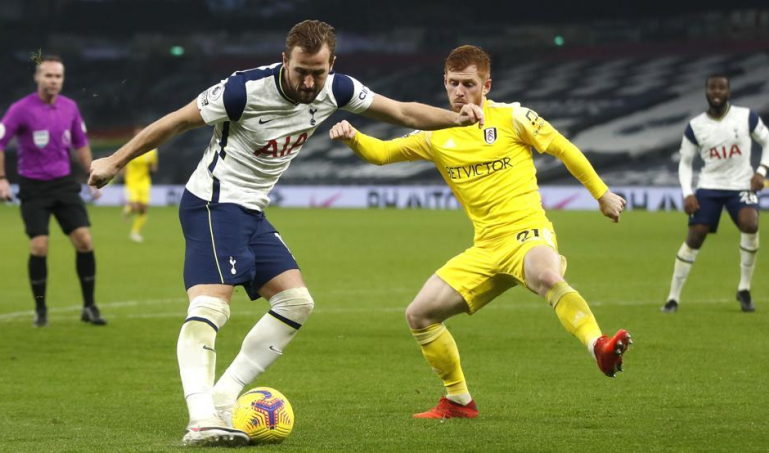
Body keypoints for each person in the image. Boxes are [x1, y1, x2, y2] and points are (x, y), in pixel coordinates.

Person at [88, 20, 484, 446]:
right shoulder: (241, 91)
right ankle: (202, 419)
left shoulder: (338, 88)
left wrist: (456, 120)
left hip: (252, 210)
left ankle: (224, 397)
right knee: (211, 306)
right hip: (213, 202)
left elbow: (403, 112)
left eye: (318, 71)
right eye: (301, 71)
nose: (310, 82)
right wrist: (115, 160)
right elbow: (175, 122)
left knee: (296, 302)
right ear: (285, 61)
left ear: (332, 64)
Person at [329, 45, 632, 419]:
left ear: (486, 85)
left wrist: (602, 195)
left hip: (527, 234)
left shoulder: (513, 118)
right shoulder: (435, 134)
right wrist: (353, 137)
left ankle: (598, 346)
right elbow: (383, 153)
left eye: (468, 84)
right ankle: (458, 401)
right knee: (419, 314)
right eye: (453, 83)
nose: (459, 92)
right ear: (444, 82)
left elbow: (563, 148)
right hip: (486, 248)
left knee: (544, 274)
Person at [0, 54, 106, 328]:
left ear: (62, 79)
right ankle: (40, 309)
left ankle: (89, 306)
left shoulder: (70, 108)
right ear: (37, 78)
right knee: (39, 246)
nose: (53, 80)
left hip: (63, 184)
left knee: (84, 241)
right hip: (33, 186)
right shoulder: (20, 109)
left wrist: (92, 174)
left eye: (58, 76)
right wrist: (0, 178)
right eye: (48, 75)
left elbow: (80, 143)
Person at [662, 74, 768, 313]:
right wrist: (688, 193)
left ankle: (744, 288)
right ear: (706, 92)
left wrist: (761, 171)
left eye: (722, 87)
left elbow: (767, 140)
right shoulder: (696, 126)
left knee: (750, 223)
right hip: (710, 186)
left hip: (741, 185)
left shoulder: (746, 117)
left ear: (729, 92)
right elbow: (686, 163)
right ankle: (672, 298)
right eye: (712, 87)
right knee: (695, 236)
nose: (717, 91)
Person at [122, 128, 158, 243]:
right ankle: (128, 209)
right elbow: (123, 163)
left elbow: (154, 166)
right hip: (131, 182)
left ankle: (135, 232)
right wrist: (123, 175)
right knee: (135, 206)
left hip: (144, 182)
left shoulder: (151, 151)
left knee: (143, 209)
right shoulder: (129, 148)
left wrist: (152, 168)